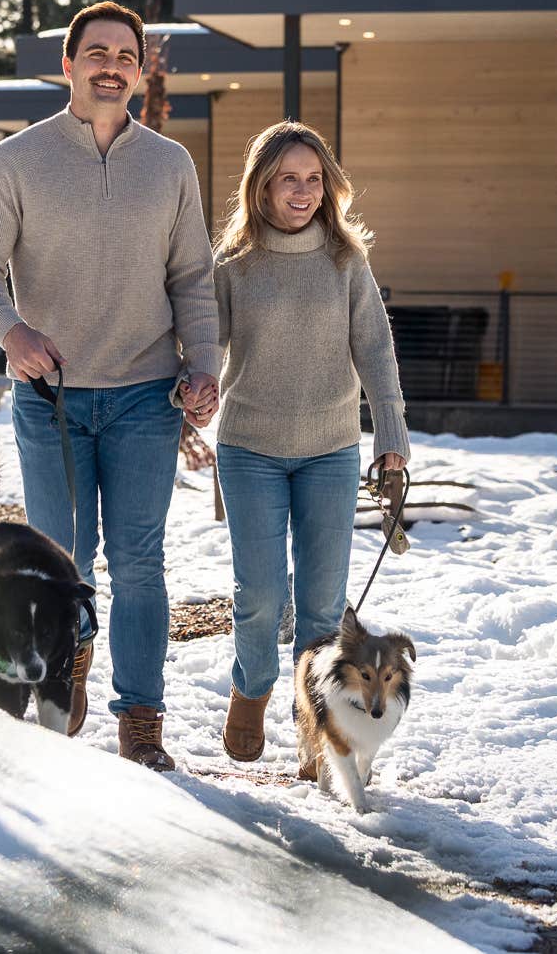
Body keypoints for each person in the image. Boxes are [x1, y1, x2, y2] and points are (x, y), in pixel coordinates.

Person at [0, 0, 220, 771]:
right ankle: (66, 668)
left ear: (142, 71)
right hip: (52, 397)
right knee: (66, 556)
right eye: (96, 52)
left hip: (146, 393)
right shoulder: (17, 159)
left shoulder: (170, 165)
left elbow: (194, 280)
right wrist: (13, 331)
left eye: (126, 55)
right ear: (67, 65)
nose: (112, 65)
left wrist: (203, 366)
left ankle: (140, 718)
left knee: (139, 560)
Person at [207, 120, 410, 764]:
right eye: (287, 179)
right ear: (261, 185)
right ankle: (251, 691)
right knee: (261, 594)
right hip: (249, 446)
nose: (302, 192)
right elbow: (205, 344)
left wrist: (392, 437)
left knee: (325, 608)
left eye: (314, 179)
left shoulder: (346, 260)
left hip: (329, 448)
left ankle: (316, 725)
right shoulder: (234, 263)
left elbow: (375, 348)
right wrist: (190, 387)